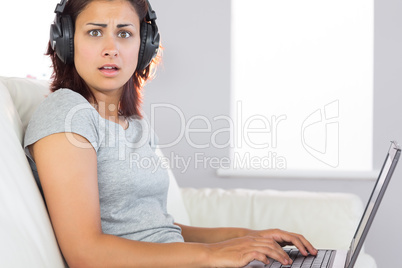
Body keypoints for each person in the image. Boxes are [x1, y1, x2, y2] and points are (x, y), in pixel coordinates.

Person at [24, 0, 317, 267]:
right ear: (66, 41)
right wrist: (212, 254)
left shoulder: (132, 123)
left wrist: (248, 237)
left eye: (124, 34)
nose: (111, 48)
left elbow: (160, 230)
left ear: (144, 46)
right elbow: (86, 253)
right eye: (95, 32)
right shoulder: (66, 113)